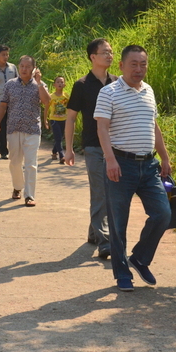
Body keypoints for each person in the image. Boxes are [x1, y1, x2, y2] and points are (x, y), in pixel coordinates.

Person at [94, 45, 172, 292]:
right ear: (121, 66)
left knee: (163, 214)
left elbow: (154, 126)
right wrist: (110, 160)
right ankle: (122, 274)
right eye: (134, 64)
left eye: (143, 64)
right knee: (118, 223)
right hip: (120, 165)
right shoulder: (108, 92)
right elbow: (102, 128)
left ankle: (139, 258)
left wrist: (165, 158)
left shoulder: (149, 91)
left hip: (149, 166)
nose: (139, 69)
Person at [64, 38, 117, 259]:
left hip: (115, 147)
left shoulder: (117, 83)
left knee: (110, 192)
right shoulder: (82, 85)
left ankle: (95, 233)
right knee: (99, 192)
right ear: (93, 57)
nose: (109, 55)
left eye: (111, 52)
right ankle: (105, 242)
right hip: (93, 146)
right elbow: (70, 118)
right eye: (105, 52)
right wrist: (68, 149)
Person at [0, 55, 51, 207]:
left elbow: (47, 101)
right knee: (15, 162)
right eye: (22, 66)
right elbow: (3, 105)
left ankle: (29, 195)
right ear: (18, 67)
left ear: (34, 68)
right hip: (14, 129)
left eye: (28, 67)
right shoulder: (10, 85)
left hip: (32, 129)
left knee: (31, 164)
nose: (24, 69)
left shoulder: (40, 85)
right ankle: (17, 187)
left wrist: (39, 82)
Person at [44, 76, 69, 164]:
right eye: (58, 82)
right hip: (54, 120)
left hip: (64, 119)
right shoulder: (51, 96)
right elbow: (46, 109)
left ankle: (54, 151)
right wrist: (45, 120)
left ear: (64, 85)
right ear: (54, 84)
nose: (60, 84)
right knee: (58, 138)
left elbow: (70, 108)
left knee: (60, 137)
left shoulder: (66, 96)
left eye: (62, 82)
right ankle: (62, 156)